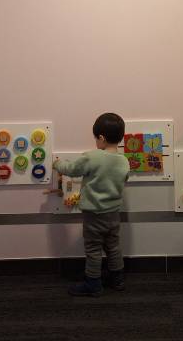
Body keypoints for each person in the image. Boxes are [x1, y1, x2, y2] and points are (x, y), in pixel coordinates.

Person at [53, 112, 130, 297]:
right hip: (113, 214)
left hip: (94, 215)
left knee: (93, 249)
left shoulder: (92, 157)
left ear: (101, 138)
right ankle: (117, 279)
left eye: (96, 138)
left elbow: (72, 169)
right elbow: (123, 179)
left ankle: (93, 283)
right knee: (113, 246)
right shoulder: (124, 161)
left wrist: (57, 164)